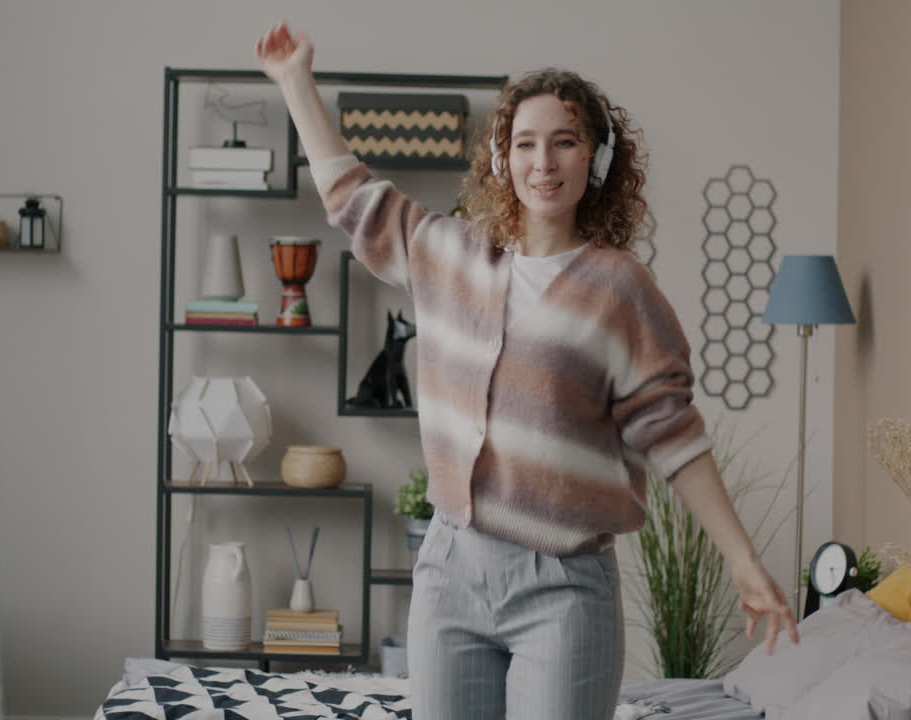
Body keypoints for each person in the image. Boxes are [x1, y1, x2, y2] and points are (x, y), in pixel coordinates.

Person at [255, 23, 799, 720]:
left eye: (565, 142)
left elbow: (674, 435)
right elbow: (351, 200)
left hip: (563, 588)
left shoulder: (620, 290)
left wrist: (742, 559)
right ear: (501, 158)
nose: (544, 162)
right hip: (450, 571)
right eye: (526, 143)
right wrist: (296, 81)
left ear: (596, 162)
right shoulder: (448, 254)